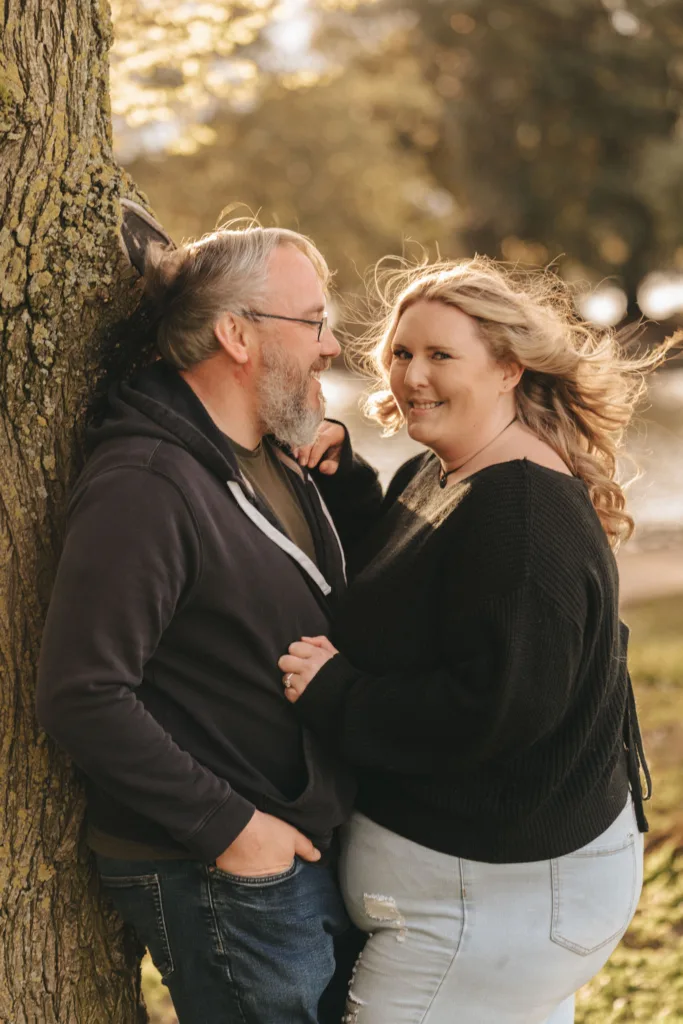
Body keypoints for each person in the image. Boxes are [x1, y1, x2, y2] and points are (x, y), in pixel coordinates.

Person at [278, 257, 678, 1024]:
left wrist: (339, 696)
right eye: (400, 353)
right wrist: (344, 481)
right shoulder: (446, 476)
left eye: (440, 355)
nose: (411, 376)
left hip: (497, 908)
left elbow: (495, 707)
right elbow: (410, 589)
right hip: (475, 907)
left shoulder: (521, 517)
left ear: (506, 368)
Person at [36, 224, 379, 1024]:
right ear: (236, 333)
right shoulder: (147, 483)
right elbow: (83, 693)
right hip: (222, 870)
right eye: (314, 322)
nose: (331, 347)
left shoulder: (260, 455)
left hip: (288, 852)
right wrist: (232, 831)